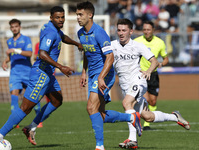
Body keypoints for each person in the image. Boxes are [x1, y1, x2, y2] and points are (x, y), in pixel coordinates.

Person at [0, 6, 83, 145]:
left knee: (57, 100)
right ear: (51, 18)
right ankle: (0, 134)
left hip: (48, 73)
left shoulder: (52, 28)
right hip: (41, 74)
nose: (61, 20)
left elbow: (63, 37)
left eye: (62, 17)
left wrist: (76, 43)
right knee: (26, 107)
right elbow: (42, 54)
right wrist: (61, 66)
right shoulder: (50, 32)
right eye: (57, 17)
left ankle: (31, 127)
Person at [112, 18, 190, 149]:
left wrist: (148, 71)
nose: (121, 33)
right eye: (119, 30)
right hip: (125, 85)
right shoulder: (112, 45)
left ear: (131, 31)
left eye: (124, 30)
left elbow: (154, 61)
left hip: (138, 80)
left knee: (126, 103)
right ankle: (175, 117)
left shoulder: (138, 45)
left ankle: (132, 140)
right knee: (147, 117)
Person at [76, 2, 142, 150]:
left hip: (104, 74)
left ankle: (99, 146)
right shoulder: (80, 33)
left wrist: (101, 77)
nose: (78, 18)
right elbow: (87, 53)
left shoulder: (99, 32)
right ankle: (132, 117)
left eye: (81, 14)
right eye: (77, 15)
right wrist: (84, 71)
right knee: (101, 115)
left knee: (91, 107)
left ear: (90, 15)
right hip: (93, 74)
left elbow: (110, 57)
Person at [2, 19, 41, 129]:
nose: (14, 28)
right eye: (12, 27)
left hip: (27, 72)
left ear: (20, 27)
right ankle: (15, 122)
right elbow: (11, 55)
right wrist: (5, 61)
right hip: (15, 72)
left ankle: (39, 119)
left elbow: (29, 53)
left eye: (16, 26)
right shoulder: (9, 41)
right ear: (10, 28)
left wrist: (14, 50)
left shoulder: (26, 39)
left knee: (32, 96)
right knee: (14, 95)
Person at [134, 21, 169, 130]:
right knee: (145, 99)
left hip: (153, 75)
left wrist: (161, 64)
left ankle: (149, 119)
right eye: (144, 29)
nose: (146, 32)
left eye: (148, 29)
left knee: (153, 101)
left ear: (153, 30)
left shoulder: (160, 43)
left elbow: (166, 58)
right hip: (141, 75)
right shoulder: (137, 41)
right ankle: (146, 124)